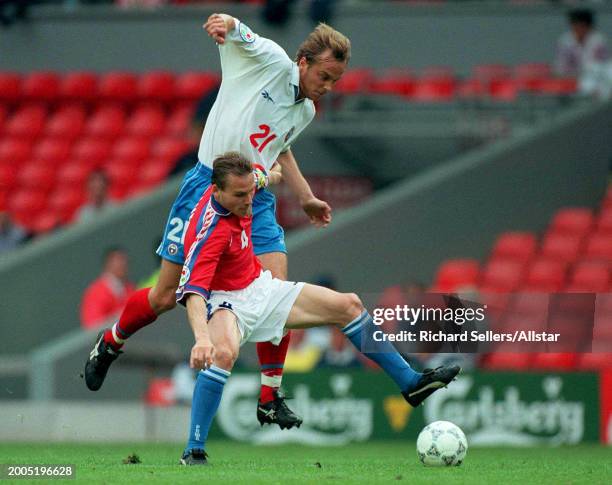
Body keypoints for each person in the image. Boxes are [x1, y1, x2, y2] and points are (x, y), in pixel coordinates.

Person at [84, 13, 351, 431]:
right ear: (303, 61)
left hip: (256, 197)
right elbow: (238, 29)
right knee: (164, 295)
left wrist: (306, 197)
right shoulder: (270, 60)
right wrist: (224, 22)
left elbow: (280, 149)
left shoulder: (306, 111)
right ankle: (111, 342)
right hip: (206, 185)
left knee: (276, 290)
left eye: (335, 79)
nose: (328, 86)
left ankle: (270, 395)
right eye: (325, 75)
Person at [175, 153, 460, 465]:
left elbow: (268, 176)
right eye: (240, 196)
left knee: (349, 304)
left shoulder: (242, 185)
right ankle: (194, 449)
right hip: (224, 300)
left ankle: (410, 383)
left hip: (259, 286)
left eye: (249, 192)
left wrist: (272, 176)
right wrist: (202, 339)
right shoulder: (210, 233)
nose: (247, 201)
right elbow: (194, 293)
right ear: (216, 191)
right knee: (223, 353)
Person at [80, 247, 136, 329]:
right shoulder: (96, 292)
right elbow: (93, 326)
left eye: (124, 261)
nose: (123, 264)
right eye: (119, 260)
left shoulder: (129, 288)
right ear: (108, 263)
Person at [555, 8, 609, 77]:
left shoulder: (599, 40)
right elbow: (561, 66)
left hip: (596, 78)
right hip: (571, 78)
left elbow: (601, 66)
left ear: (589, 27)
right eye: (575, 26)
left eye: (581, 26)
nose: (578, 29)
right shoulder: (565, 40)